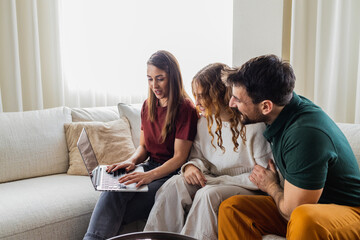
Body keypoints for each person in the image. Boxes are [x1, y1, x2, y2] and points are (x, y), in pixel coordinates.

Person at [218, 54, 360, 240]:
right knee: (233, 210)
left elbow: (293, 210)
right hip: (314, 207)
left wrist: (271, 186)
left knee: (303, 218)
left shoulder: (304, 133)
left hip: (349, 212)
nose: (231, 104)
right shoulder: (281, 107)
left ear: (266, 106)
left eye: (237, 99)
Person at [144, 63, 273, 240]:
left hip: (247, 187)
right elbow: (197, 156)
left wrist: (217, 181)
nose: (196, 102)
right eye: (195, 96)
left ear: (220, 95)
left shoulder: (254, 127)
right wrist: (191, 167)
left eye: (202, 96)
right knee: (174, 184)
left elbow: (264, 176)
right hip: (214, 180)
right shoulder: (204, 123)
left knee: (207, 194)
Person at [83, 50, 198, 240]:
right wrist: (131, 161)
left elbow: (179, 157)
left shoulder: (185, 108)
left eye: (160, 78)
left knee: (122, 209)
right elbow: (143, 148)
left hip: (170, 175)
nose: (154, 85)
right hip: (148, 166)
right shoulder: (147, 105)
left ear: (173, 77)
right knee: (113, 190)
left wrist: (147, 176)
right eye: (150, 79)